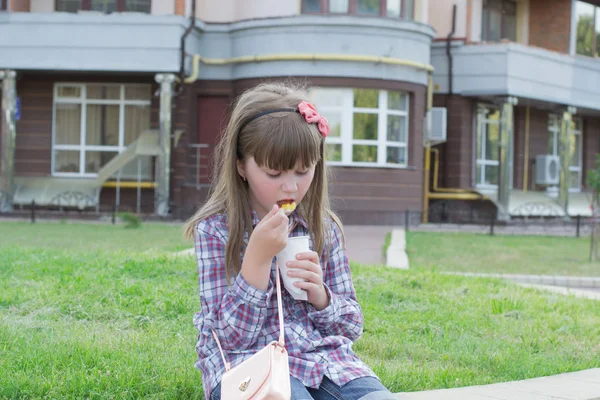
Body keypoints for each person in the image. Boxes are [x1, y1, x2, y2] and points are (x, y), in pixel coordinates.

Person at [184, 82, 395, 400]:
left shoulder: (322, 228)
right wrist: (256, 260)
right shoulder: (216, 231)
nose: (290, 187)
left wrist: (321, 296)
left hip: (324, 362)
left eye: (302, 171)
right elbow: (227, 340)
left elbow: (350, 326)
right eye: (274, 174)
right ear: (241, 165)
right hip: (248, 366)